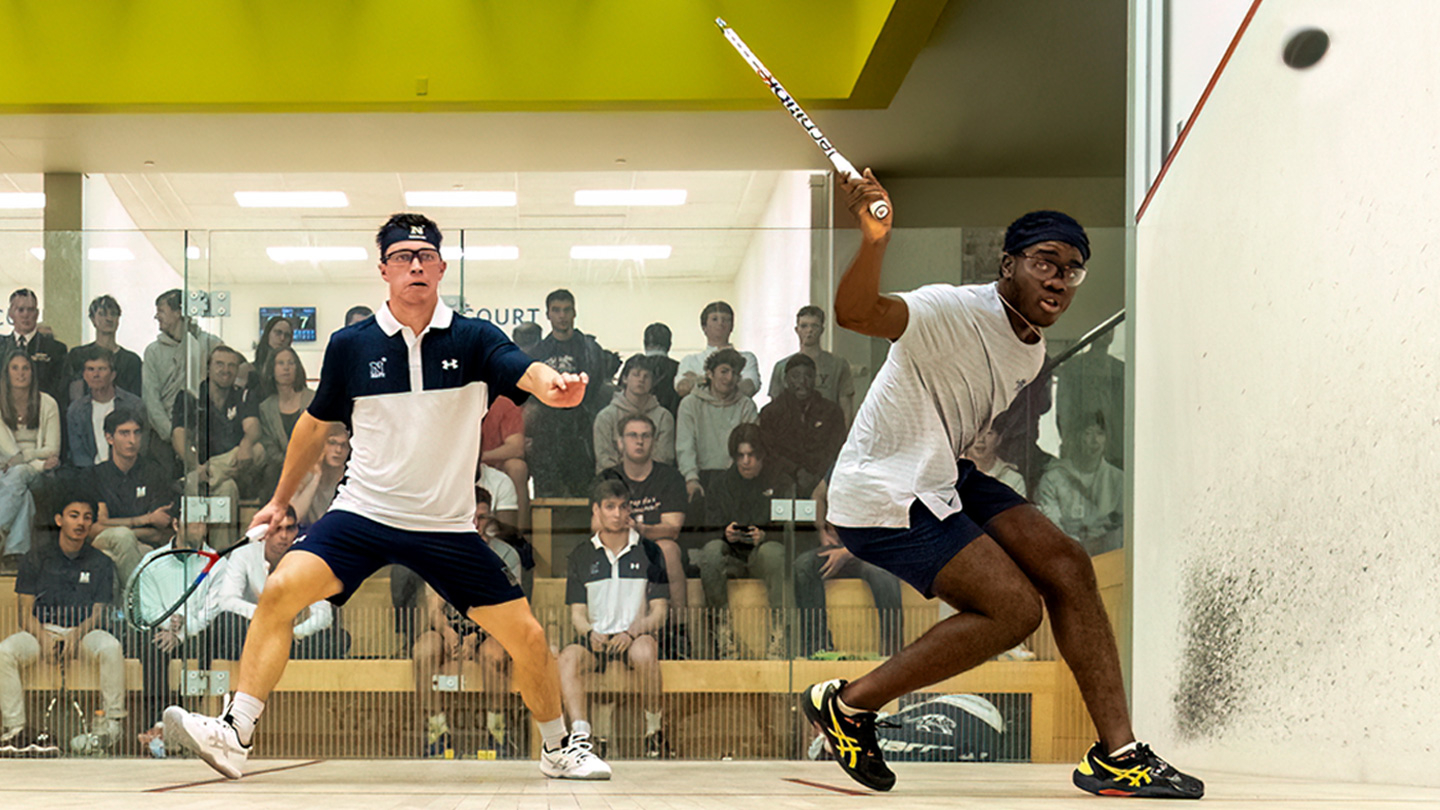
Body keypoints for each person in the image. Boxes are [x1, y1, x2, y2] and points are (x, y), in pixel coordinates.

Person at [163, 211, 610, 782]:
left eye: (425, 257)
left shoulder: (475, 339)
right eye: (403, 257)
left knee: (529, 638)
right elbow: (314, 425)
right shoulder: (351, 345)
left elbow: (523, 371)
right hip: (364, 514)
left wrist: (553, 386)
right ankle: (235, 732)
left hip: (446, 526)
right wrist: (279, 500)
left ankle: (558, 749)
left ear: (441, 268)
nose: (415, 266)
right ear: (384, 270)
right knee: (280, 590)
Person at [805, 173, 1202, 798]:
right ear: (1007, 264)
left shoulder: (1031, 350)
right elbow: (856, 313)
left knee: (1068, 564)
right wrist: (874, 239)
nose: (1059, 279)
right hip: (883, 490)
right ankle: (851, 706)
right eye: (1045, 262)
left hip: (944, 473)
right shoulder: (948, 310)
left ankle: (1118, 755)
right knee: (1015, 610)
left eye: (1072, 270)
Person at [0, 497, 123, 757]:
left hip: (85, 632)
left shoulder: (101, 562)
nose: (80, 523)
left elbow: (98, 612)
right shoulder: (35, 558)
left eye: (87, 517)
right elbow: (24, 612)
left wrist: (77, 635)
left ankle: (112, 725)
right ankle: (15, 729)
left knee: (111, 647)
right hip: (40, 630)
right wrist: (42, 637)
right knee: (4, 652)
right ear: (59, 520)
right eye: (73, 515)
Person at [558, 479, 670, 760]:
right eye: (610, 507)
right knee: (567, 658)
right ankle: (581, 735)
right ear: (596, 510)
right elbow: (577, 614)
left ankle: (654, 731)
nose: (617, 514)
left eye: (623, 507)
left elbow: (660, 611)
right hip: (596, 640)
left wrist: (632, 632)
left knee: (645, 651)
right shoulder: (581, 554)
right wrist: (589, 633)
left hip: (633, 637)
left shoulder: (651, 551)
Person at [412, 486, 522, 757]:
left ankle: (497, 733)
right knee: (423, 651)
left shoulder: (506, 555)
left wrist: (476, 636)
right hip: (449, 627)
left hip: (492, 628)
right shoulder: (439, 551)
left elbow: (506, 609)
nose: (476, 524)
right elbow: (434, 607)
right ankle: (437, 731)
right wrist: (448, 632)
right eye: (470, 516)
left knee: (494, 655)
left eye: (482, 517)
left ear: (490, 519)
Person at [127, 509, 228, 748]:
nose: (198, 527)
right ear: (175, 524)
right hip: (163, 633)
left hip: (198, 635)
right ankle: (159, 724)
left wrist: (180, 633)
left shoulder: (218, 563)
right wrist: (170, 625)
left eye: (202, 523)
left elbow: (211, 612)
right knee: (152, 644)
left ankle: (191, 727)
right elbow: (148, 609)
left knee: (210, 639)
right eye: (192, 522)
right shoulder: (152, 561)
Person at [596, 414, 690, 658]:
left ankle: (679, 633)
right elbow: (595, 526)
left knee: (668, 549)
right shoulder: (607, 478)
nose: (639, 441)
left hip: (652, 545)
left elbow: (673, 528)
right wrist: (622, 531)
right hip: (617, 545)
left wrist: (642, 530)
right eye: (632, 436)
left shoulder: (669, 477)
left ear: (654, 441)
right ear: (620, 442)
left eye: (645, 436)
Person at [698, 424, 793, 660]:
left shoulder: (780, 482)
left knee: (774, 552)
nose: (746, 461)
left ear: (762, 455)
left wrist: (766, 535)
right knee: (710, 552)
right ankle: (723, 633)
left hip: (763, 556)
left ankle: (780, 636)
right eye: (740, 455)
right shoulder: (720, 484)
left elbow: (794, 532)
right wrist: (724, 533)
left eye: (751, 455)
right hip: (730, 556)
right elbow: (705, 530)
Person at [208, 507, 351, 661]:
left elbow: (323, 615)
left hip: (292, 637)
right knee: (225, 623)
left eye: (289, 529)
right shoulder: (243, 553)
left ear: (296, 531)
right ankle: (274, 656)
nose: (283, 536)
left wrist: (294, 632)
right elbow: (227, 601)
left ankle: (275, 655)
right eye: (277, 529)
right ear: (265, 532)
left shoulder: (308, 556)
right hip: (253, 631)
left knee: (340, 639)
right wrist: (266, 616)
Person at [793, 478, 903, 658]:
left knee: (881, 571)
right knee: (804, 565)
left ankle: (893, 651)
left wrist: (848, 551)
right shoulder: (842, 466)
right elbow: (818, 494)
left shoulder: (883, 474)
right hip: (837, 546)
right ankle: (817, 648)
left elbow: (891, 524)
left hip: (872, 549)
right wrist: (821, 529)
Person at [526, 289, 609, 497]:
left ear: (574, 313)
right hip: (546, 433)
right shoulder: (537, 353)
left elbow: (595, 388)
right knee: (547, 496)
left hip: (580, 431)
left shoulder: (589, 349)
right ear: (548, 315)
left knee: (583, 494)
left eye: (566, 310)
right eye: (556, 310)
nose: (562, 316)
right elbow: (532, 397)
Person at [90, 409, 177, 587]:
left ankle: (128, 599)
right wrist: (146, 520)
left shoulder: (154, 472)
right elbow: (94, 529)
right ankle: (136, 600)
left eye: (136, 433)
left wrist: (114, 526)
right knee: (123, 539)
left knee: (139, 551)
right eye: (124, 433)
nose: (132, 440)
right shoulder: (96, 475)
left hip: (141, 548)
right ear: (109, 438)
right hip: (104, 545)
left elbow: (159, 533)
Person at [172, 345, 263, 509]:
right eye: (219, 364)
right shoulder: (191, 396)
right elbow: (179, 436)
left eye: (231, 365)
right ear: (208, 368)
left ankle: (206, 477)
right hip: (201, 466)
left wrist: (246, 444)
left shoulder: (243, 395)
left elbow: (253, 427)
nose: (226, 370)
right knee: (227, 488)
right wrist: (196, 467)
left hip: (237, 467)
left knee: (258, 450)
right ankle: (208, 477)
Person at [143, 288, 222, 475]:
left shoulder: (210, 344)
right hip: (164, 439)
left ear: (178, 312)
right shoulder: (153, 352)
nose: (156, 316)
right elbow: (151, 400)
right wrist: (172, 434)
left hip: (202, 433)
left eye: (161, 311)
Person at [0, 351, 60, 567]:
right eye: (15, 368)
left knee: (19, 472)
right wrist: (38, 459)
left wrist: (27, 460)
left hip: (37, 474)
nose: (21, 373)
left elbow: (53, 448)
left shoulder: (48, 403)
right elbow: (6, 451)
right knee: (22, 495)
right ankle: (14, 554)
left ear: (33, 373)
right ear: (6, 373)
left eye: (25, 368)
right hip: (5, 471)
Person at [1034, 411, 1123, 556]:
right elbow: (1050, 528)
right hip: (1064, 556)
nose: (1094, 440)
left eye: (1100, 434)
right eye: (1088, 433)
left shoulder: (1119, 480)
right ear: (1077, 437)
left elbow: (1125, 529)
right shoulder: (1053, 479)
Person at [675, 348, 758, 504]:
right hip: (701, 478)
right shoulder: (690, 404)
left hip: (736, 478)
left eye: (735, 373)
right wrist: (691, 479)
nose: (729, 378)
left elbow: (751, 445)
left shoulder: (746, 405)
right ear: (710, 374)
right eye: (724, 371)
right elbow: (685, 446)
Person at [758, 353, 847, 497]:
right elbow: (768, 451)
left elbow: (835, 448)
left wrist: (817, 476)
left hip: (823, 481)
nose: (802, 381)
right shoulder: (771, 413)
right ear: (786, 380)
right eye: (796, 376)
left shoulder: (831, 412)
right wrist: (796, 471)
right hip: (781, 483)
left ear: (815, 379)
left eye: (808, 376)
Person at [767, 306, 856, 423]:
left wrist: (845, 432)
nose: (809, 330)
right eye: (804, 326)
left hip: (827, 427)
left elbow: (846, 406)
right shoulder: (782, 367)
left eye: (814, 326)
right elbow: (774, 408)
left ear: (822, 330)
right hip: (790, 428)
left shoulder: (838, 365)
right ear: (797, 329)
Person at [592, 355, 675, 472]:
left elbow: (663, 458)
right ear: (625, 379)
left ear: (652, 383)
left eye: (646, 376)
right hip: (614, 480)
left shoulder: (663, 417)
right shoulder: (606, 417)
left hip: (654, 479)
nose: (641, 380)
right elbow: (605, 459)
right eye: (636, 374)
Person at [66, 346, 145, 468]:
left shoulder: (134, 405)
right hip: (89, 473)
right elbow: (78, 454)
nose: (96, 375)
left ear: (113, 374)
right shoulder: (76, 410)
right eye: (90, 369)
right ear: (84, 375)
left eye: (102, 369)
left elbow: (140, 447)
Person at [256, 347, 314, 501]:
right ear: (272, 369)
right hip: (280, 466)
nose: (286, 368)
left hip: (310, 462)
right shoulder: (266, 407)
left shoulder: (312, 399)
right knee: (271, 474)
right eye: (280, 363)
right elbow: (268, 443)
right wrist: (286, 462)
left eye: (291, 363)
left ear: (298, 368)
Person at [64, 294, 143, 404]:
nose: (109, 319)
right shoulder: (78, 355)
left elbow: (135, 399)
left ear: (118, 319)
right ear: (93, 319)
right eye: (102, 314)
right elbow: (69, 394)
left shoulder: (131, 361)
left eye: (113, 314)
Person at [674, 302, 760, 398]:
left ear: (732, 326)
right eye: (715, 319)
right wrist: (728, 383)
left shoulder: (747, 358)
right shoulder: (690, 361)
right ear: (704, 327)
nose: (720, 323)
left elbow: (748, 388)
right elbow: (682, 388)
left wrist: (699, 380)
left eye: (726, 320)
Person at [3, 288, 69, 413]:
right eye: (20, 310)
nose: (26, 315)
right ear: (11, 313)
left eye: (30, 310)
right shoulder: (2, 347)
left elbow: (60, 390)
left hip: (43, 412)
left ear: (37, 314)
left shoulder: (55, 349)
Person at [480, 393, 529, 530]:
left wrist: (479, 457)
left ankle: (519, 534)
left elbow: (516, 448)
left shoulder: (504, 403)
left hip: (493, 467)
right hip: (459, 466)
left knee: (517, 467)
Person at [290, 423, 349, 527]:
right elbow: (296, 516)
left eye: (344, 445)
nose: (338, 450)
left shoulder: (350, 478)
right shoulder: (306, 475)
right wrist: (316, 478)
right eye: (332, 443)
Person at [963, 425, 1028, 498]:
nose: (981, 440)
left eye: (989, 433)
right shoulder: (955, 474)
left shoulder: (1013, 479)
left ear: (999, 439)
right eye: (977, 432)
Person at [245, 314, 296, 398]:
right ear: (268, 334)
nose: (282, 338)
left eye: (287, 335)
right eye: (278, 333)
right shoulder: (248, 369)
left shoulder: (293, 370)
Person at [638, 323, 680, 417]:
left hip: (637, 419)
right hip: (671, 418)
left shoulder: (634, 365)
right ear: (669, 345)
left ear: (644, 342)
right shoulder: (678, 367)